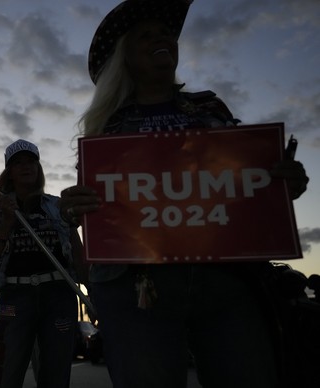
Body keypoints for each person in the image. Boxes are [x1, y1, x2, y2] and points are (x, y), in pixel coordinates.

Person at [58, 1, 310, 388]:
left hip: (226, 280)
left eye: (164, 32)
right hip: (138, 287)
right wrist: (77, 207)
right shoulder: (108, 126)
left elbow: (243, 184)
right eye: (146, 34)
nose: (161, 38)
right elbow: (95, 208)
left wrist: (280, 182)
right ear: (124, 56)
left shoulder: (211, 107)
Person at [0, 139, 88, 388]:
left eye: (31, 162)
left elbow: (78, 253)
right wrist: (5, 222)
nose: (26, 167)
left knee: (56, 372)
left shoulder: (57, 206)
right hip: (15, 297)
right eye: (18, 163)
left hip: (59, 296)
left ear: (39, 168)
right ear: (10, 172)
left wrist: (92, 290)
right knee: (7, 371)